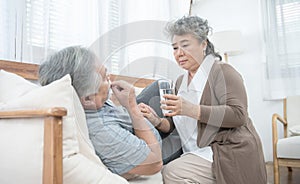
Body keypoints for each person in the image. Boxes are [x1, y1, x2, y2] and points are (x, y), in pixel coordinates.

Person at [138, 16, 267, 184]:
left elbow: (238, 114)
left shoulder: (223, 72)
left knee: (171, 172)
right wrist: (156, 119)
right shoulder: (179, 82)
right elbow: (175, 124)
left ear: (203, 44)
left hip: (226, 150)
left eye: (185, 45)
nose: (179, 53)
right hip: (196, 152)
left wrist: (190, 109)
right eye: (175, 48)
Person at [38, 46, 163, 179]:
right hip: (162, 145)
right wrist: (132, 107)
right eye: (104, 77)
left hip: (149, 125)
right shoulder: (101, 131)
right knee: (165, 89)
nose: (109, 79)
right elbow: (155, 163)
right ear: (88, 99)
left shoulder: (91, 104)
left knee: (161, 86)